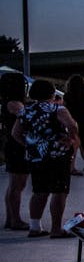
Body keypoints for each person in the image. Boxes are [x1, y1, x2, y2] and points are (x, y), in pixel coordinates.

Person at [11, 78, 80, 238]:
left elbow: (15, 133)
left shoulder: (25, 111)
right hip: (58, 155)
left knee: (39, 191)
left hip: (37, 157)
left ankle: (35, 227)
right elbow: (71, 125)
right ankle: (56, 229)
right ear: (52, 93)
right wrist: (71, 138)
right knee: (59, 191)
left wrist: (30, 145)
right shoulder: (57, 109)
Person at [2, 71, 30, 231]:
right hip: (17, 145)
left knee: (14, 185)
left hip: (13, 145)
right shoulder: (14, 104)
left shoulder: (8, 102)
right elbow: (26, 117)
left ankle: (10, 218)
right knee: (17, 184)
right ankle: (15, 219)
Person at [64, 75, 84, 176]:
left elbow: (65, 110)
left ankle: (70, 168)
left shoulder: (67, 96)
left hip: (72, 122)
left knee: (72, 146)